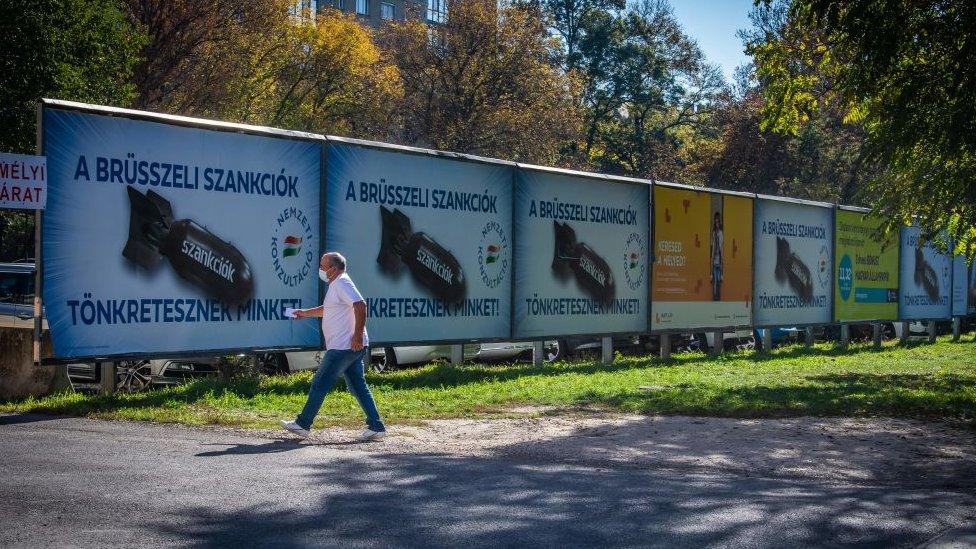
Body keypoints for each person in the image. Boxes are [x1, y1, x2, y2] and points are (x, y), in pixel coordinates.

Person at [281, 252, 386, 441]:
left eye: (323, 266)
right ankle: (376, 427)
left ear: (334, 268)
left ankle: (303, 424)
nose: (320, 269)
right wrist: (304, 313)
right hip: (349, 347)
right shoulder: (337, 285)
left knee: (319, 384)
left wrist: (356, 335)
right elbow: (329, 309)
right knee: (358, 386)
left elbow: (361, 305)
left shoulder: (342, 283)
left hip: (343, 347)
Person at [710, 211, 724, 301]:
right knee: (715, 282)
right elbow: (712, 246)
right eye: (716, 222)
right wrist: (710, 273)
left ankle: (718, 298)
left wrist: (723, 273)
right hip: (714, 260)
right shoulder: (714, 233)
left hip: (719, 259)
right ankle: (715, 299)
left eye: (718, 221)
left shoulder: (721, 233)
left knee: (719, 281)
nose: (717, 223)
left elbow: (721, 248)